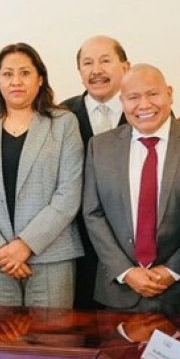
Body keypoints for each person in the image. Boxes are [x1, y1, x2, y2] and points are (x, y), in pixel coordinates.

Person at [0, 42, 84, 307]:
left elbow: (69, 193)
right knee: (4, 344)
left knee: (53, 342)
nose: (16, 81)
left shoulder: (63, 124)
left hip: (51, 256)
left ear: (40, 79)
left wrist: (25, 245)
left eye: (25, 73)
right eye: (8, 74)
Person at [82, 65, 180, 313]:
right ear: (122, 101)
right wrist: (126, 271)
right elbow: (93, 214)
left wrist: (173, 270)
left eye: (153, 94)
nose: (144, 104)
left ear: (170, 94)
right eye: (133, 97)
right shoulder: (100, 147)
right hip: (118, 294)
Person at [61, 35, 131, 310]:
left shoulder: (144, 108)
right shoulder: (61, 115)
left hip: (133, 248)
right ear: (80, 73)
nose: (96, 70)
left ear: (126, 67)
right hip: (80, 249)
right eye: (87, 63)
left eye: (105, 61)